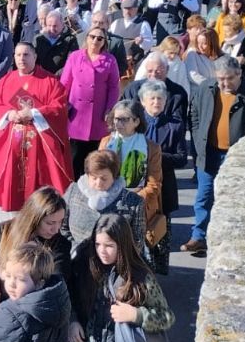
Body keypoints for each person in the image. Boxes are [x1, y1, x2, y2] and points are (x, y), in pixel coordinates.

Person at [182, 55, 245, 257]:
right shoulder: (207, 89)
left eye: (229, 78)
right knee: (204, 197)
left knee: (235, 199)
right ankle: (199, 237)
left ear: (239, 74)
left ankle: (231, 241)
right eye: (221, 78)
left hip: (237, 157)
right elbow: (194, 114)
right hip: (209, 152)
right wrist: (198, 139)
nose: (225, 83)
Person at [0, 42, 73, 222]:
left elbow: (59, 108)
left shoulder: (50, 81)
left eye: (26, 55)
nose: (21, 59)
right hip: (12, 147)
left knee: (39, 187)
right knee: (11, 189)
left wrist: (34, 113)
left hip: (39, 148)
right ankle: (9, 225)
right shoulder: (6, 80)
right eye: (18, 55)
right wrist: (9, 114)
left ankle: (41, 222)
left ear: (35, 57)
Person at [137, 79, 186, 274]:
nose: (156, 102)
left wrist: (155, 157)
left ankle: (158, 271)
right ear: (143, 102)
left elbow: (182, 158)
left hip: (164, 186)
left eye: (160, 99)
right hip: (140, 185)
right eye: (152, 98)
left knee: (160, 229)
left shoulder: (175, 126)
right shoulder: (136, 123)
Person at [62, 148, 146, 261]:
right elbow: (62, 227)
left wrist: (118, 259)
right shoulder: (73, 191)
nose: (98, 183)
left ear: (114, 176)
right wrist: (76, 250)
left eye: (104, 178)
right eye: (94, 178)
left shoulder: (132, 202)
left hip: (114, 263)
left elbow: (137, 240)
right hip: (77, 259)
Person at [60, 25, 121, 177]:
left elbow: (114, 88)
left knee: (95, 160)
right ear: (86, 38)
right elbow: (64, 84)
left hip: (98, 117)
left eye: (99, 38)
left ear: (104, 42)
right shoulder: (75, 57)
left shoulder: (110, 60)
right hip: (75, 115)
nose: (95, 40)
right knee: (74, 158)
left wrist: (109, 110)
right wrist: (64, 105)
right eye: (92, 37)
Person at [0, 186, 72, 286]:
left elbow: (57, 280)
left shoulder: (59, 243)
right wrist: (1, 273)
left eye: (60, 222)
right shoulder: (3, 231)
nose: (56, 229)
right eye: (50, 223)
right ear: (34, 218)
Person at [98, 100, 164, 235]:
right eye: (116, 119)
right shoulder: (106, 143)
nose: (118, 123)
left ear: (136, 122)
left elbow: (154, 185)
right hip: (108, 203)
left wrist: (130, 200)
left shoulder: (151, 148)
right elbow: (97, 174)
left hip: (137, 205)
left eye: (124, 119)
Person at [33, 9, 77, 75]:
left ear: (62, 25)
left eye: (55, 26)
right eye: (49, 26)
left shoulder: (70, 40)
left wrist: (56, 75)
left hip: (59, 79)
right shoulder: (38, 39)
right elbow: (33, 59)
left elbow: (71, 62)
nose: (52, 29)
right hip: (40, 77)